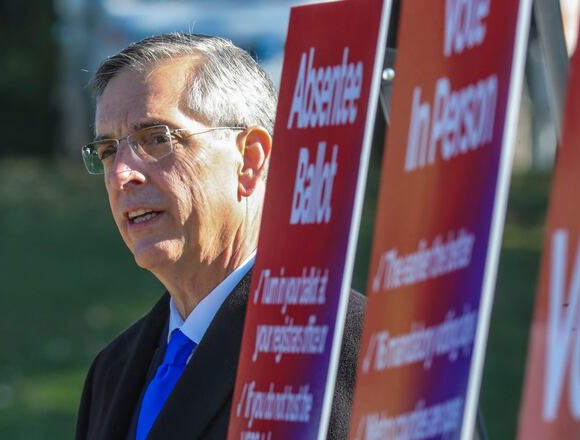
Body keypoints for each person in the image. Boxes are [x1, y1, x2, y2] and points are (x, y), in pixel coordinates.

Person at [74, 33, 365, 440]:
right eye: (108, 151)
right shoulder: (112, 372)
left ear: (249, 160)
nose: (122, 174)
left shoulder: (349, 347)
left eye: (156, 138)